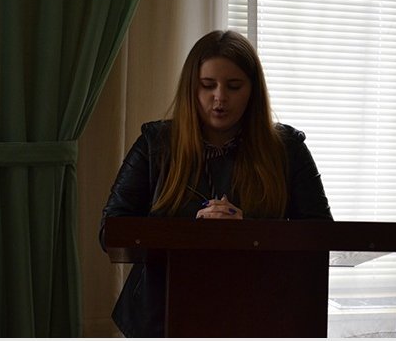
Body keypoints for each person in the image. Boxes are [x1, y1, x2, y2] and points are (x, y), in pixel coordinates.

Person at [99, 30, 332, 337]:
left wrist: (248, 233)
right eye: (207, 85)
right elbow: (111, 231)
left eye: (234, 86)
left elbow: (321, 233)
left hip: (259, 312)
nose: (220, 98)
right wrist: (193, 233)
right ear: (191, 88)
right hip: (161, 317)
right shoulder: (155, 144)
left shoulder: (287, 148)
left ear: (253, 90)